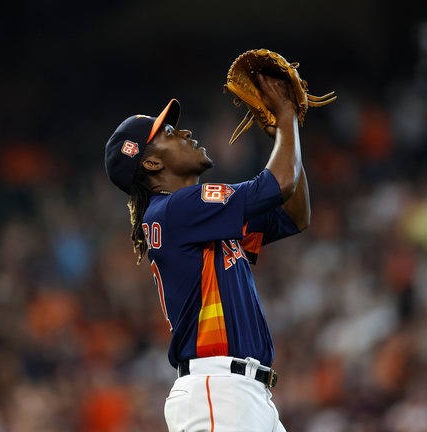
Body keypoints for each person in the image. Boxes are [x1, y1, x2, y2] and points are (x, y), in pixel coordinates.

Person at [104, 75, 310, 432]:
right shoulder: (177, 209)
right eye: (167, 134)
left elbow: (296, 214)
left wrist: (282, 131)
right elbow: (280, 183)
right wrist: (286, 115)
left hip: (242, 394)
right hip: (219, 391)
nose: (184, 133)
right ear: (152, 165)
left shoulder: (196, 219)